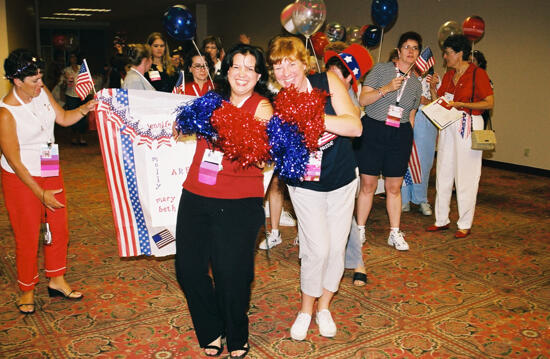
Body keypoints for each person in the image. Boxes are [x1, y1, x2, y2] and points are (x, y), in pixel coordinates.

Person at [174, 43, 273, 358]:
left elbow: (263, 158)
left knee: (232, 274)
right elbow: (182, 129)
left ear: (258, 75)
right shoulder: (210, 100)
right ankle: (211, 328)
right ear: (226, 70)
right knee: (188, 269)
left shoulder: (262, 107)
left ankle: (236, 333)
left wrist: (225, 123)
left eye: (250, 67)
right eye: (236, 66)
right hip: (196, 194)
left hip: (238, 201)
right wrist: (187, 121)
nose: (242, 73)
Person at [267, 36, 362, 341]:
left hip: (342, 179)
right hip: (304, 185)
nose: (285, 70)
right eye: (278, 65)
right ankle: (305, 309)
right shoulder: (275, 101)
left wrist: (314, 117)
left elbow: (355, 127)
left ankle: (324, 307)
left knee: (336, 248)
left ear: (303, 62)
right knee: (316, 248)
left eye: (290, 62)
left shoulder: (328, 81)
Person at [0, 49, 96, 314]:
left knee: (58, 228)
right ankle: (27, 289)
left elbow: (64, 119)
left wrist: (84, 108)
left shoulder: (41, 94)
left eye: (41, 77)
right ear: (17, 81)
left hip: (49, 165)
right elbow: (15, 162)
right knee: (28, 233)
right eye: (34, 80)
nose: (40, 84)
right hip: (22, 178)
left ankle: (56, 278)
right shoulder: (6, 113)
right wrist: (39, 192)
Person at [355, 31, 423, 251]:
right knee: (368, 184)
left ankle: (394, 232)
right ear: (398, 50)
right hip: (374, 129)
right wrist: (386, 89)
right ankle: (359, 229)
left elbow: (411, 114)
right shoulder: (380, 70)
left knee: (395, 186)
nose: (410, 51)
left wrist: (407, 138)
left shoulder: (416, 83)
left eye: (415, 48)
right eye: (407, 47)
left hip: (400, 134)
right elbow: (362, 99)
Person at [426, 34, 494, 238]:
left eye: (448, 53)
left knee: (467, 175)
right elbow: (442, 102)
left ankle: (464, 223)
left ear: (459, 53)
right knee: (444, 171)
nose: (445, 57)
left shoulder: (477, 74)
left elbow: (489, 103)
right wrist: (432, 89)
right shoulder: (448, 75)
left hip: (469, 123)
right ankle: (441, 219)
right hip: (448, 125)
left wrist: (462, 104)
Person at [324, 43, 374, 286]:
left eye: (337, 74)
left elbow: (354, 121)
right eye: (329, 73)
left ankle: (357, 262)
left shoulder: (351, 96)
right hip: (319, 163)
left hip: (344, 163)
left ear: (348, 78)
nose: (331, 79)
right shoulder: (318, 89)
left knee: (345, 217)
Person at [401, 68, 438, 216]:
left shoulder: (434, 79)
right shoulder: (406, 76)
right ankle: (403, 199)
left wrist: (428, 98)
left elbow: (441, 104)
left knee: (423, 162)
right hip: (407, 117)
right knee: (405, 158)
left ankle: (421, 199)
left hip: (426, 119)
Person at [62, 53, 88, 145]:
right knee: (72, 115)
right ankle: (73, 136)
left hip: (82, 95)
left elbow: (87, 80)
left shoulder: (82, 68)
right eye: (71, 57)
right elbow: (62, 83)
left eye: (74, 57)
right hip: (71, 95)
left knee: (82, 116)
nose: (73, 59)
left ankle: (81, 137)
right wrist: (66, 81)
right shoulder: (66, 70)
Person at [470, 50, 493, 129]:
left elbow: (488, 101)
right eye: (468, 60)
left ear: (479, 63)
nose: (470, 63)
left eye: (473, 61)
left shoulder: (483, 77)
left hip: (479, 114)